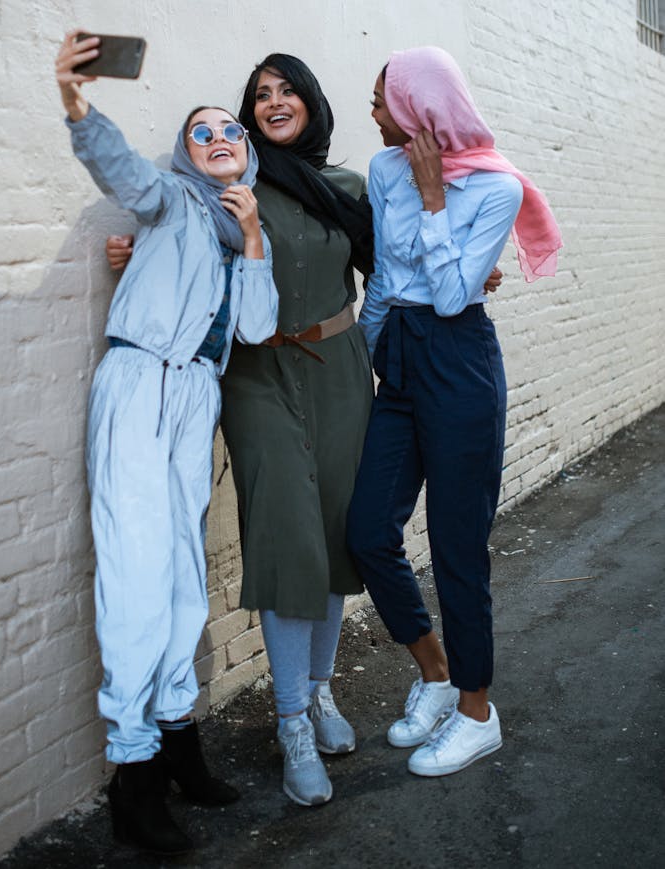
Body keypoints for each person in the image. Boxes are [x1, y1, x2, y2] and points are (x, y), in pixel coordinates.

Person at [106, 52, 504, 806]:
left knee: (333, 537)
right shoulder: (230, 189)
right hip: (258, 378)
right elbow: (177, 235)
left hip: (342, 368)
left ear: (312, 102)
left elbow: (404, 260)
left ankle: (319, 693)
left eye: (287, 90)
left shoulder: (352, 189)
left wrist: (479, 265)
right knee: (289, 538)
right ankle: (291, 721)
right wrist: (131, 254)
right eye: (260, 94)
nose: (274, 102)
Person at [55, 30, 278, 854]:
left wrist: (253, 237)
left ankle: (179, 734)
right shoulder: (169, 202)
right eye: (203, 133)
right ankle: (133, 770)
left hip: (194, 395)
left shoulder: (240, 230)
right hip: (139, 382)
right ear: (186, 156)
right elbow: (122, 173)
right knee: (137, 571)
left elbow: (255, 325)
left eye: (232, 132)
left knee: (184, 569)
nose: (220, 140)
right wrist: (79, 103)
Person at [346, 45, 562, 778]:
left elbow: (448, 295)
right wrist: (376, 350)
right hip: (401, 360)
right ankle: (435, 672)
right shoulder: (381, 170)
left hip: (461, 362)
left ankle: (477, 711)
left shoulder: (497, 188)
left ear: (416, 107)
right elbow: (384, 276)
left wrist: (436, 199)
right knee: (370, 529)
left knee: (457, 546)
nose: (373, 111)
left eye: (382, 99)